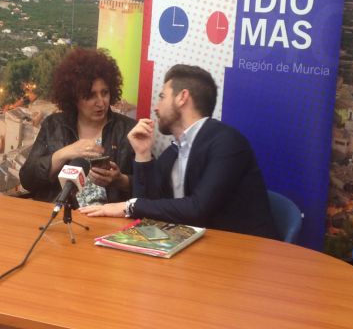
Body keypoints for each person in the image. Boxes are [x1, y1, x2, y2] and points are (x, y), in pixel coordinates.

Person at [80, 64, 280, 240]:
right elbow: (148, 207)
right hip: (193, 248)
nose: (156, 108)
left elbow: (198, 208)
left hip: (245, 253)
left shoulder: (227, 142)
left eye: (162, 97)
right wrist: (142, 154)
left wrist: (127, 206)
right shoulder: (174, 152)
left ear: (182, 97)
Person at [19, 48, 135, 205]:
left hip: (108, 217)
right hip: (59, 214)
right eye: (91, 95)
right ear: (74, 98)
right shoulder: (54, 125)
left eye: (105, 93)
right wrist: (64, 154)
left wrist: (121, 180)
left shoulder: (127, 130)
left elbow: (151, 188)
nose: (101, 102)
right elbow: (27, 180)